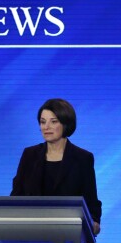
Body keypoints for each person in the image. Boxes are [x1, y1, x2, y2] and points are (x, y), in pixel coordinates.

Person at [11, 98, 102, 235]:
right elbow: (16, 197)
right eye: (43, 122)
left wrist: (94, 223)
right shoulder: (29, 155)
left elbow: (91, 202)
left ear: (66, 124)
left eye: (53, 121)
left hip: (69, 235)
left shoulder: (83, 158)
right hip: (31, 233)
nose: (46, 127)